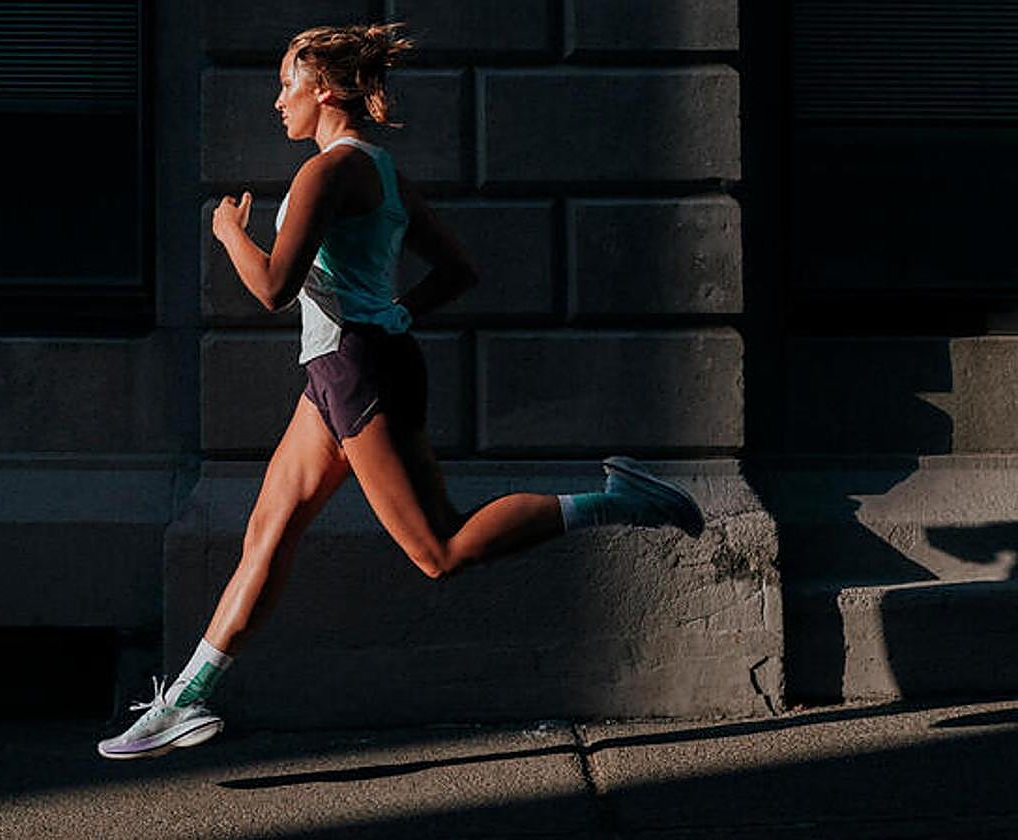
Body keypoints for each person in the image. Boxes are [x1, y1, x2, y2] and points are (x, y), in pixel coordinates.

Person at [97, 22, 704, 760]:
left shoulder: (327, 173)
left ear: (325, 90)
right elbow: (458, 271)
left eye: (287, 84)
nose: (278, 101)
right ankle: (183, 701)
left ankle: (620, 499)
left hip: (357, 371)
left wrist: (228, 233)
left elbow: (273, 288)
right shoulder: (380, 171)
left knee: (438, 550)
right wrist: (393, 316)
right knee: (268, 532)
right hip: (343, 368)